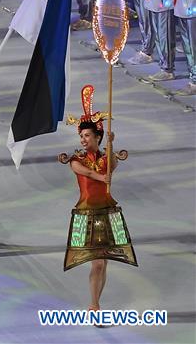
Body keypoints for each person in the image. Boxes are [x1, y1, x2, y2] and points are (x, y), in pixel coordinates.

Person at [60, 85, 137, 313]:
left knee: (102, 263)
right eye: (81, 136)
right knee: (97, 262)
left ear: (97, 136)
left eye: (87, 135)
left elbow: (111, 166)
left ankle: (95, 303)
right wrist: (103, 175)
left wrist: (111, 145)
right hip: (86, 214)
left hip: (106, 212)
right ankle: (94, 304)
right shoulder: (76, 160)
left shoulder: (105, 157)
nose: (83, 139)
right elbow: (93, 174)